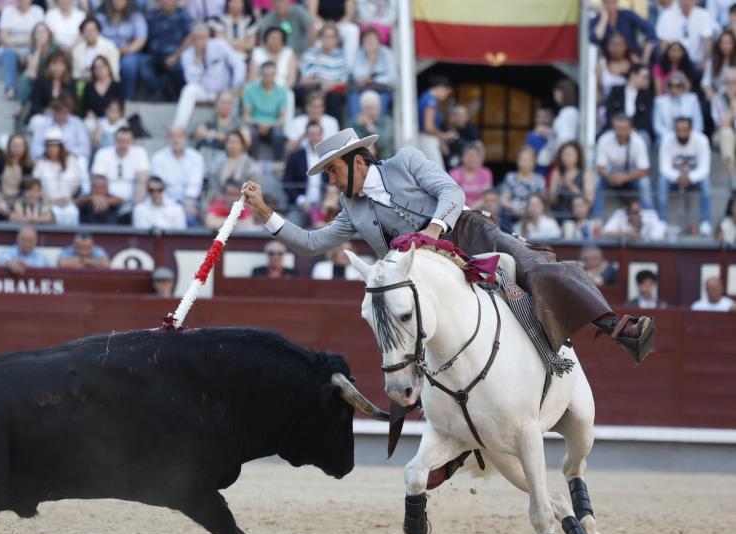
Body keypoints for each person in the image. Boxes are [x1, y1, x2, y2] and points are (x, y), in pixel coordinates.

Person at [240, 127, 656, 362]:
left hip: (467, 233)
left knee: (533, 266)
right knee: (404, 330)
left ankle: (615, 326)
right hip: (423, 270)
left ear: (357, 161)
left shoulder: (405, 160)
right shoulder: (353, 211)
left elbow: (451, 192)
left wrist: (436, 230)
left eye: (331, 170)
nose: (330, 180)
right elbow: (313, 243)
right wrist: (263, 211)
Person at [175, 23, 246, 128]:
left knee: (237, 94)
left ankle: (233, 129)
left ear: (208, 37)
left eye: (202, 38)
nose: (200, 41)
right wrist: (198, 59)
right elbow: (192, 80)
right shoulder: (187, 55)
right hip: (205, 91)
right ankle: (179, 127)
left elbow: (238, 64)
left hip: (224, 90)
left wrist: (236, 84)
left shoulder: (219, 45)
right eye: (196, 38)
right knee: (189, 90)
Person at [658, 116, 712, 236]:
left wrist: (690, 177)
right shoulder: (667, 140)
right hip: (674, 178)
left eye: (685, 129)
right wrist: (678, 177)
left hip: (694, 178)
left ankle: (705, 222)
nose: (682, 133)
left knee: (706, 184)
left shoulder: (702, 140)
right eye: (679, 130)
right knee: (662, 182)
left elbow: (704, 168)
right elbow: (664, 168)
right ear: (674, 129)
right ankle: (662, 221)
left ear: (691, 129)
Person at [593, 113, 653, 216]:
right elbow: (600, 167)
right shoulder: (604, 140)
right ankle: (596, 218)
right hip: (610, 177)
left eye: (624, 129)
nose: (621, 132)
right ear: (613, 128)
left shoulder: (638, 141)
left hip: (632, 177)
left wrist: (625, 177)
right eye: (618, 128)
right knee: (597, 181)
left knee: (645, 183)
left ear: (631, 128)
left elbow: (644, 170)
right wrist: (610, 177)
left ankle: (650, 216)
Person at [139, 0, 194, 101]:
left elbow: (191, 36)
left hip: (176, 55)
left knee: (180, 67)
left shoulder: (183, 16)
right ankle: (162, 93)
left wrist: (176, 56)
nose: (165, 2)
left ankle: (179, 96)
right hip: (155, 55)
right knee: (143, 64)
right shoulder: (152, 16)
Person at [150, 126, 205, 223]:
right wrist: (171, 205)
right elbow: (159, 185)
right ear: (168, 139)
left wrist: (187, 204)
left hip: (189, 201)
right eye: (172, 137)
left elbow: (194, 185)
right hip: (164, 200)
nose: (176, 140)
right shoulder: (158, 157)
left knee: (189, 218)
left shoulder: (196, 157)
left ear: (185, 138)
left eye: (179, 136)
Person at [91, 126, 149, 217]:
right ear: (114, 140)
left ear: (132, 141)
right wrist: (102, 198)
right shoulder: (103, 153)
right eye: (120, 141)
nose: (123, 145)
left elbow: (142, 180)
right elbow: (98, 179)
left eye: (127, 141)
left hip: (131, 201)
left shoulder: (140, 153)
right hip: (109, 200)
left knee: (140, 210)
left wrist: (137, 204)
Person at [296, 23, 348, 122]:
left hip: (332, 91)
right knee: (308, 94)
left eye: (332, 37)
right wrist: (320, 81)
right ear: (320, 38)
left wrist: (331, 85)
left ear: (336, 40)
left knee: (335, 97)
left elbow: (343, 82)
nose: (329, 40)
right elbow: (304, 81)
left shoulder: (340, 56)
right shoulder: (310, 54)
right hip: (314, 88)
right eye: (326, 36)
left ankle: (336, 132)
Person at [98, 0, 148, 100]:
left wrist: (129, 48)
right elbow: (96, 34)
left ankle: (127, 98)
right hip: (105, 51)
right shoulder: (101, 15)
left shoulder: (135, 16)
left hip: (127, 52)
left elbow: (141, 38)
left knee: (129, 64)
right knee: (100, 63)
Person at [33, 127, 84, 225]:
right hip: (47, 203)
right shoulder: (40, 163)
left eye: (55, 146)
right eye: (49, 146)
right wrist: (52, 200)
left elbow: (77, 184)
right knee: (52, 213)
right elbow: (36, 186)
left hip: (68, 202)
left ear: (60, 147)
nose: (52, 149)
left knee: (72, 212)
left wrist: (67, 200)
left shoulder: (71, 161)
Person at [243, 60, 288, 161]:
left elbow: (282, 119)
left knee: (279, 135)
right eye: (265, 75)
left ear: (275, 75)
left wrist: (269, 125)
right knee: (251, 134)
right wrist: (259, 123)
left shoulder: (282, 91)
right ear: (261, 74)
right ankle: (251, 162)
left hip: (273, 125)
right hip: (255, 123)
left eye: (271, 75)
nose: (268, 78)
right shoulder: (250, 89)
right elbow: (246, 116)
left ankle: (278, 163)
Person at [347, 26, 394, 121]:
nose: (370, 43)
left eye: (372, 40)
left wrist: (374, 80)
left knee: (382, 99)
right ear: (363, 43)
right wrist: (370, 62)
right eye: (367, 41)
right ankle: (357, 127)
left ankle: (377, 127)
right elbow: (357, 75)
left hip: (381, 89)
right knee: (353, 98)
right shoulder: (359, 53)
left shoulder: (387, 53)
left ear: (378, 42)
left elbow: (393, 78)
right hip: (361, 90)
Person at [589, 0, 657, 63]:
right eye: (607, 3)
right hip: (610, 63)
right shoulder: (596, 20)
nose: (610, 7)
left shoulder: (627, 15)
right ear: (603, 4)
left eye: (612, 3)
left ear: (617, 3)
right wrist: (604, 17)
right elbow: (595, 39)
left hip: (632, 60)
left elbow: (649, 30)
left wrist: (644, 58)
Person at [656, 0, 714, 72]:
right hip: (674, 64)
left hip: (696, 63)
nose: (686, 2)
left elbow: (707, 40)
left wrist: (705, 62)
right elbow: (663, 43)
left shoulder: (704, 15)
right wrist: (665, 64)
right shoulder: (667, 15)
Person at [193, 90, 249, 164]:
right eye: (223, 102)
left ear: (232, 105)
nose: (225, 105)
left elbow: (246, 141)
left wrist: (212, 135)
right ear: (216, 103)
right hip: (209, 154)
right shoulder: (209, 118)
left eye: (228, 103)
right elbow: (199, 133)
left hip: (230, 157)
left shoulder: (238, 122)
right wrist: (229, 139)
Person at [30, 95, 91, 161]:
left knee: (82, 161)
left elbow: (85, 148)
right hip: (49, 158)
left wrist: (70, 152)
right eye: (59, 112)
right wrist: (49, 153)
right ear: (54, 111)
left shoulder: (77, 123)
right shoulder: (44, 124)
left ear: (69, 111)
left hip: (72, 157)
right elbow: (35, 148)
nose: (62, 115)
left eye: (65, 112)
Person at [283, 121, 325, 214]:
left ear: (322, 135)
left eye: (317, 134)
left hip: (323, 207)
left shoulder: (328, 156)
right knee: (291, 227)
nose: (314, 138)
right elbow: (287, 182)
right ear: (306, 136)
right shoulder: (295, 157)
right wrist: (300, 200)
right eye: (311, 135)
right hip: (299, 206)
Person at [604, 63, 654, 141]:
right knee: (604, 138)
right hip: (615, 128)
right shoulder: (616, 91)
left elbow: (646, 118)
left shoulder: (647, 96)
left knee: (643, 137)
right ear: (633, 75)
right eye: (644, 77)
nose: (647, 81)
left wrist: (630, 129)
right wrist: (619, 128)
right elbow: (610, 112)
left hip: (637, 130)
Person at [207, 130, 259, 206]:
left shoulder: (250, 164)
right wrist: (222, 197)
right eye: (230, 142)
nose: (232, 145)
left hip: (244, 203)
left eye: (236, 142)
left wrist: (239, 195)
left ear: (242, 145)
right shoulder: (220, 164)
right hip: (222, 201)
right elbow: (214, 186)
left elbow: (253, 189)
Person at [499, 146, 546, 228]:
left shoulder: (539, 180)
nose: (524, 163)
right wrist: (514, 208)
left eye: (528, 160)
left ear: (534, 162)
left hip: (532, 213)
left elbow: (542, 200)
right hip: (513, 213)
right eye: (522, 159)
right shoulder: (510, 177)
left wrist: (530, 210)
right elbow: (504, 199)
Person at [0, 133, 34, 220]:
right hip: (1, 198)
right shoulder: (1, 161)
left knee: (20, 214)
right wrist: (0, 199)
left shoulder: (27, 166)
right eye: (15, 145)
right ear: (9, 146)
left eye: (20, 146)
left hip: (19, 199)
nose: (17, 149)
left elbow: (27, 187)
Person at [548, 140, 595, 219]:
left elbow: (590, 200)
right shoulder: (556, 173)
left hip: (580, 214)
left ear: (577, 156)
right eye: (564, 154)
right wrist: (556, 189)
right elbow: (552, 200)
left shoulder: (586, 173)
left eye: (570, 155)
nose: (567, 157)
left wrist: (571, 186)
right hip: (560, 212)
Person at [17, 23, 61, 108]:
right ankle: (20, 106)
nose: (41, 35)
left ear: (49, 34)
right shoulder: (32, 49)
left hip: (53, 75)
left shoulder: (56, 48)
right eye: (38, 32)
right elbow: (32, 68)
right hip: (38, 76)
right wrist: (38, 49)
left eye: (43, 32)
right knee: (27, 76)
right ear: (34, 36)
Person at [653, 71, 704, 142]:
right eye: (671, 85)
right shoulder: (660, 101)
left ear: (684, 86)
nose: (674, 89)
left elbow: (698, 124)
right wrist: (671, 137)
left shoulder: (692, 99)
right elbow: (657, 126)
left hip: (690, 137)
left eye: (678, 86)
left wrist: (689, 136)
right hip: (666, 138)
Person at [28, 50, 75, 120]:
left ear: (66, 67)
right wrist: (44, 111)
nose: (57, 68)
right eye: (54, 64)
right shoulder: (40, 81)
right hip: (43, 116)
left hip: (63, 117)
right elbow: (35, 105)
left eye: (61, 64)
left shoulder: (70, 83)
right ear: (48, 66)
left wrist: (61, 112)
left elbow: (72, 105)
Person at [417, 75, 453, 169]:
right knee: (437, 171)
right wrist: (444, 136)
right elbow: (428, 127)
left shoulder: (427, 97)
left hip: (427, 139)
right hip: (427, 139)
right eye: (446, 92)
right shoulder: (430, 100)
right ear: (441, 87)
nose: (446, 96)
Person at [248, 26, 297, 90]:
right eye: (272, 38)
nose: (275, 41)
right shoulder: (257, 52)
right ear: (266, 39)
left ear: (283, 41)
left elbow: (291, 79)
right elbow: (252, 77)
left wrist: (283, 92)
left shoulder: (289, 53)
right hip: (259, 89)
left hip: (283, 90)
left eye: (277, 38)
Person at [80, 56, 124, 128]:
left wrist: (112, 115)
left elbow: (121, 106)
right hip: (94, 121)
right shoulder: (88, 87)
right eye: (96, 67)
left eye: (102, 66)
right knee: (88, 124)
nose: (99, 70)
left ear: (108, 68)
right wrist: (89, 114)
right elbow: (85, 108)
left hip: (113, 118)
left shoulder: (117, 86)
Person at [73, 17, 121, 81]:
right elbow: (75, 73)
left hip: (106, 83)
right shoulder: (77, 50)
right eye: (87, 30)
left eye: (92, 30)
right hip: (85, 83)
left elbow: (114, 70)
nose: (90, 33)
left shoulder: (109, 46)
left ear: (98, 31)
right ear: (82, 33)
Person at [712, 67, 736, 188]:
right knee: (726, 133)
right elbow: (723, 125)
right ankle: (733, 179)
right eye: (728, 82)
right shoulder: (718, 99)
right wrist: (732, 107)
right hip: (720, 137)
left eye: (734, 82)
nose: (731, 85)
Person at [449, 142, 492, 209]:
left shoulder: (485, 173)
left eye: (476, 156)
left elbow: (486, 195)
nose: (473, 159)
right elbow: (452, 195)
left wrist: (472, 208)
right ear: (462, 157)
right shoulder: (454, 173)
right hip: (459, 208)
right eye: (469, 156)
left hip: (480, 209)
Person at [352, 89, 393, 158]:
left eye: (373, 108)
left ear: (379, 108)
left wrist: (370, 126)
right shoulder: (356, 124)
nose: (371, 112)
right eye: (368, 108)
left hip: (385, 161)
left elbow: (384, 143)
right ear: (362, 109)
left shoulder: (386, 121)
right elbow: (354, 147)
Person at [601, 198, 667, 241]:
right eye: (633, 213)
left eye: (638, 212)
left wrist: (640, 236)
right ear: (626, 212)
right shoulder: (620, 214)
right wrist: (627, 234)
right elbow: (606, 232)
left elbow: (658, 237)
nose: (636, 215)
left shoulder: (651, 215)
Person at [702, 29, 736, 101]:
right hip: (718, 98)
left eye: (729, 43)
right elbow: (706, 82)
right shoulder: (712, 61)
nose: (726, 46)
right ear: (719, 44)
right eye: (723, 43)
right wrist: (711, 94)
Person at [442, 104, 478, 170]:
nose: (466, 119)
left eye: (466, 115)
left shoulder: (468, 129)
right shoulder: (441, 130)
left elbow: (475, 147)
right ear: (452, 117)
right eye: (462, 116)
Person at [598, 32, 632, 97]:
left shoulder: (632, 64)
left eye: (620, 44)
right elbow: (596, 90)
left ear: (626, 46)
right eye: (613, 44)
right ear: (607, 46)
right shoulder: (601, 64)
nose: (617, 48)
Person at [524, 107, 556, 176]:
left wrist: (552, 135)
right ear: (536, 119)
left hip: (553, 173)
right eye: (540, 117)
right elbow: (527, 155)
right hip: (536, 172)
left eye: (546, 117)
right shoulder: (531, 136)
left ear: (552, 118)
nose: (543, 120)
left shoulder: (557, 134)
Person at [552, 79, 579, 153]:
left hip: (564, 153)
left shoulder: (569, 112)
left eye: (558, 93)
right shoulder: (566, 111)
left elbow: (566, 138)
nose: (555, 95)